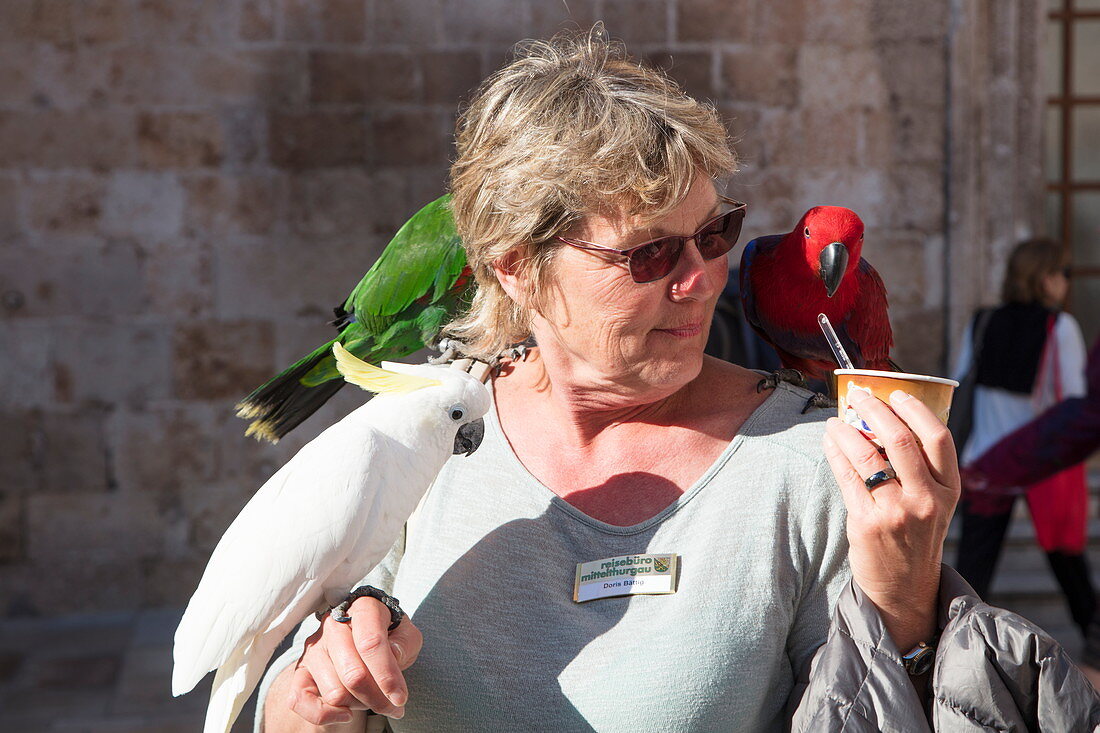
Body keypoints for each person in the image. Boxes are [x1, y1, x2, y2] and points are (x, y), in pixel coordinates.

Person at [254, 30, 1096, 732]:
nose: (699, 278)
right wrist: (318, 698)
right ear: (515, 269)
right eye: (650, 253)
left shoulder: (811, 463)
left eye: (716, 233)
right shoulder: (421, 437)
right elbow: (290, 698)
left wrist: (908, 602)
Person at [952, 239, 1091, 631]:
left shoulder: (983, 321)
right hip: (1040, 464)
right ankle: (1095, 643)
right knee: (1068, 563)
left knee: (972, 576)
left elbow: (960, 380)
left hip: (987, 462)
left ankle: (955, 650)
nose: (1066, 282)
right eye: (1064, 273)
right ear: (1045, 278)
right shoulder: (1060, 327)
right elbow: (1076, 404)